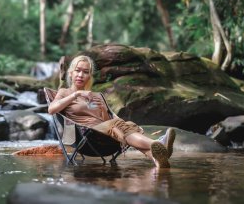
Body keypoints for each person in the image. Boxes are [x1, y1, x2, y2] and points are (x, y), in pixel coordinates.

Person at [48, 55, 176, 168]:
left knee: (125, 125)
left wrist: (102, 109)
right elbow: (51, 109)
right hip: (87, 135)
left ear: (89, 76)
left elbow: (107, 119)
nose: (81, 75)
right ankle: (158, 143)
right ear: (71, 73)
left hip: (105, 135)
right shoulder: (65, 92)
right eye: (78, 70)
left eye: (85, 72)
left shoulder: (97, 96)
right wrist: (76, 95)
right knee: (117, 125)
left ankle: (157, 159)